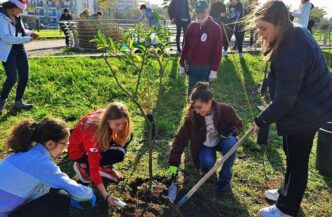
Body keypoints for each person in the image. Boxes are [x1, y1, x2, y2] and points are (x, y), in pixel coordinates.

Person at [250, 1, 332, 216]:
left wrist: (261, 120)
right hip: (309, 103)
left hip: (308, 110)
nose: (261, 35)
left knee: (298, 160)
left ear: (279, 23)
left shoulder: (291, 49)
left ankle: (287, 209)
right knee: (291, 152)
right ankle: (285, 191)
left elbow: (286, 100)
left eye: (264, 29)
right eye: (258, 29)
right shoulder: (293, 33)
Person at [0, 118, 96, 217]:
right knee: (61, 197)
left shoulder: (23, 152)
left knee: (54, 190)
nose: (65, 148)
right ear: (50, 144)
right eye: (65, 143)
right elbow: (70, 187)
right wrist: (89, 193)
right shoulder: (41, 163)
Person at [168, 82, 243, 196]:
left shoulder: (226, 110)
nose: (197, 111)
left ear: (209, 102)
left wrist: (233, 130)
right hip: (206, 145)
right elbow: (180, 139)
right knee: (207, 161)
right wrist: (173, 164)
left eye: (199, 107)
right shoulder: (192, 117)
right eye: (194, 108)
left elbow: (238, 124)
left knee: (232, 143)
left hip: (222, 141)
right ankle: (207, 170)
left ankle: (224, 180)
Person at [68, 102, 133, 207]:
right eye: (117, 124)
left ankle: (105, 167)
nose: (121, 127)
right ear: (108, 120)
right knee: (118, 153)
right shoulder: (93, 136)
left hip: (87, 142)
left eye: (123, 123)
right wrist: (106, 195)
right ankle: (82, 166)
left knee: (125, 140)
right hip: (78, 152)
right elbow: (93, 167)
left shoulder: (106, 115)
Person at [0, 0, 39, 114]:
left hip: (20, 49)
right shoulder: (1, 18)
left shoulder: (18, 17)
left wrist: (30, 33)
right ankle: (1, 100)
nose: (21, 12)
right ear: (13, 7)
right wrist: (28, 39)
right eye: (20, 9)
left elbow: (22, 31)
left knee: (24, 76)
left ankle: (18, 102)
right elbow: (7, 38)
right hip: (8, 50)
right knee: (12, 78)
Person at [179, 0, 223, 96]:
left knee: (204, 95)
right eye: (197, 12)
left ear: (208, 10)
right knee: (191, 91)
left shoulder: (215, 28)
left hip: (206, 68)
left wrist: (214, 70)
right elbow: (185, 47)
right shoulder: (191, 26)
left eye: (203, 12)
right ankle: (191, 110)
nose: (200, 15)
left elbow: (217, 51)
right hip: (192, 66)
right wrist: (182, 64)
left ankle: (204, 111)